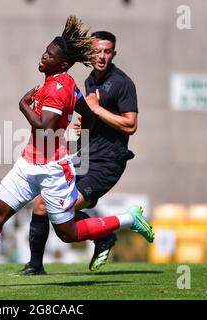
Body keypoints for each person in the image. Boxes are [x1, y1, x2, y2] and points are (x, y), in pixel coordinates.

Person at [0, 16, 153, 289]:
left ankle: (128, 219)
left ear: (62, 64)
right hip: (28, 164)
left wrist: (23, 105)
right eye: (45, 51)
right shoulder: (69, 83)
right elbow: (86, 112)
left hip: (52, 171)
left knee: (68, 233)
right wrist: (82, 137)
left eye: (49, 55)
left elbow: (45, 126)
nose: (42, 56)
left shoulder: (57, 89)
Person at [19, 31, 140, 275]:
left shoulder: (122, 83)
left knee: (62, 209)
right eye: (98, 51)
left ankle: (105, 235)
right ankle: (35, 266)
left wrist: (95, 110)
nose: (102, 56)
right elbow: (90, 120)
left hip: (108, 161)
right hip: (85, 157)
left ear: (113, 54)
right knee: (42, 204)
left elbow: (131, 125)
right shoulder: (89, 81)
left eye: (107, 51)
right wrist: (83, 126)